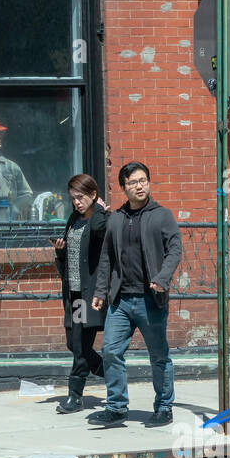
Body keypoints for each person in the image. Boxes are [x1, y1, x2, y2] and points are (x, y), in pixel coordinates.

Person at [90, 162, 182, 427]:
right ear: (123, 188)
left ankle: (164, 406)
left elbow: (175, 249)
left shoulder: (162, 215)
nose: (139, 186)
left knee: (158, 355)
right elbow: (107, 258)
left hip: (150, 299)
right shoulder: (116, 219)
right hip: (120, 301)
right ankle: (117, 406)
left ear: (149, 183)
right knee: (110, 351)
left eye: (143, 180)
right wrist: (100, 291)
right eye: (132, 182)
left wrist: (162, 278)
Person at [53, 174, 109, 414]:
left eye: (81, 197)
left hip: (90, 296)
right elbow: (70, 254)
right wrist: (61, 252)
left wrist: (99, 211)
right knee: (73, 343)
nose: (76, 203)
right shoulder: (74, 218)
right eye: (73, 199)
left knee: (81, 346)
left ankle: (74, 397)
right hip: (74, 295)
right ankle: (108, 370)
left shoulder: (101, 220)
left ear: (93, 194)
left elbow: (99, 231)